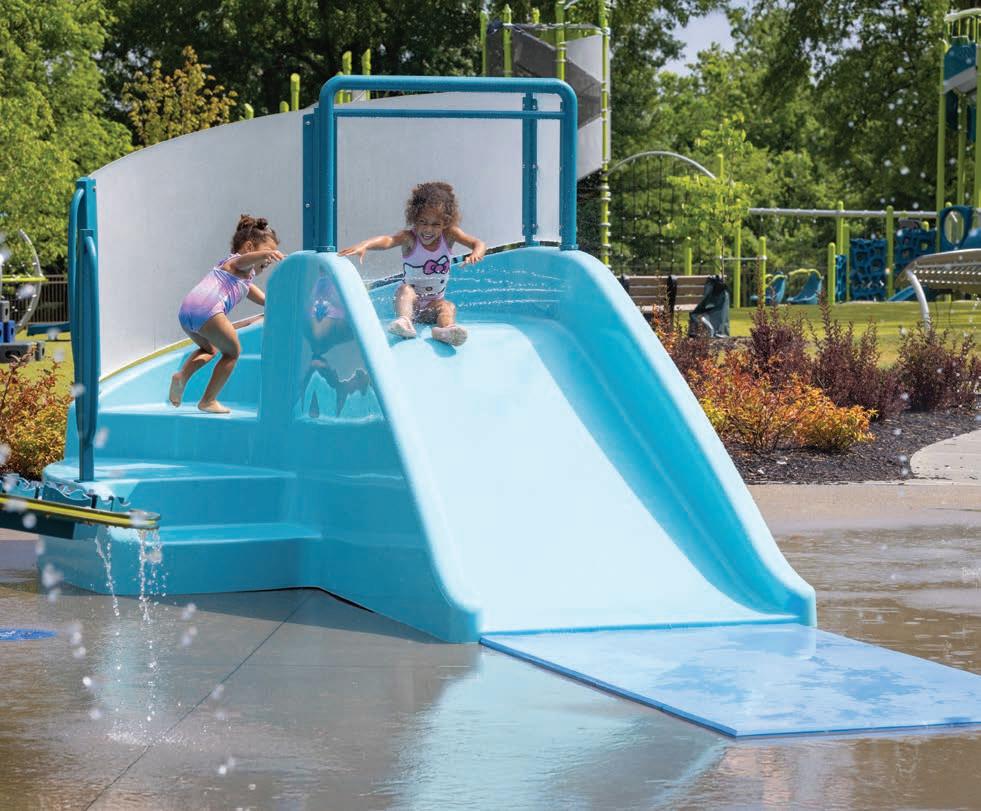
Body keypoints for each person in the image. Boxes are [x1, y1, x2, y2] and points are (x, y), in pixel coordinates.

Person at [339, 181, 485, 346]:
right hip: (409, 304)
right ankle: (404, 322)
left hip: (432, 305)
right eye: (423, 222)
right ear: (414, 218)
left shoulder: (449, 235)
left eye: (435, 224)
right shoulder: (409, 238)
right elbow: (388, 240)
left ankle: (445, 330)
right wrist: (365, 244)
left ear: (445, 223)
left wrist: (476, 253)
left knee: (447, 306)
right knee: (405, 289)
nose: (428, 229)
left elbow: (478, 243)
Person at [169, 215, 283, 413]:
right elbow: (243, 261)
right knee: (232, 353)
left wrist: (279, 304)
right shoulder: (236, 263)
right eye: (267, 253)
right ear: (249, 247)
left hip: (187, 311)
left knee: (210, 350)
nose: (269, 259)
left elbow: (263, 299)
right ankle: (208, 400)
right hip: (208, 311)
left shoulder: (244, 278)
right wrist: (265, 254)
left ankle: (182, 377)